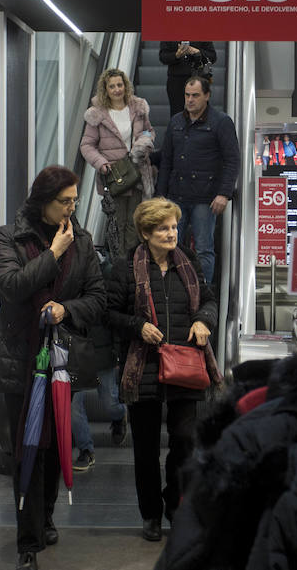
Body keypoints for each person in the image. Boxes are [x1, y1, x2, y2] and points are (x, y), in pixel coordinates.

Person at [0, 165, 106, 570]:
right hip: (18, 358)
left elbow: (97, 298)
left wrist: (65, 308)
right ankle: (28, 543)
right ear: (42, 201)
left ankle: (47, 515)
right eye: (64, 201)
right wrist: (53, 253)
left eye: (74, 200)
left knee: (54, 446)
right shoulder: (8, 237)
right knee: (26, 449)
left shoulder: (82, 241)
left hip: (62, 359)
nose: (72, 208)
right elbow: (12, 287)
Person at [107, 197, 220, 542]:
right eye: (164, 228)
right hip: (144, 366)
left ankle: (175, 505)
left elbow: (210, 300)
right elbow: (109, 314)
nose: (172, 233)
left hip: (185, 364)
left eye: (174, 226)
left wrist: (203, 321)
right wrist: (137, 326)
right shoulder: (125, 269)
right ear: (146, 232)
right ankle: (151, 515)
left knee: (185, 440)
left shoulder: (190, 264)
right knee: (145, 448)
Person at [156, 75, 240, 284]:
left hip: (206, 198)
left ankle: (203, 294)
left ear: (207, 96)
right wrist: (160, 196)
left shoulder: (221, 122)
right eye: (187, 95)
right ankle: (173, 290)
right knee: (169, 246)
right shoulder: (176, 121)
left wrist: (224, 193)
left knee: (203, 249)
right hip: (176, 195)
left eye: (195, 95)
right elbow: (166, 160)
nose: (190, 100)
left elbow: (232, 160)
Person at [81, 68, 156, 257]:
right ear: (105, 89)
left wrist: (143, 144)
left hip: (137, 173)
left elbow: (149, 132)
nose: (117, 90)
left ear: (126, 85)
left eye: (120, 85)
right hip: (114, 177)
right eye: (112, 86)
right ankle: (118, 269)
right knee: (117, 225)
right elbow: (87, 145)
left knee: (135, 224)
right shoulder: (97, 114)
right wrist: (101, 163)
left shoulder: (138, 108)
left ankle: (133, 266)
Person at [71, 253, 128, 471]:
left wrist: (116, 351)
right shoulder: (63, 268)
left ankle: (120, 416)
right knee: (73, 406)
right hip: (74, 349)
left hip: (101, 350)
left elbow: (114, 315)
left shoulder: (107, 273)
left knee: (110, 402)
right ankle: (86, 449)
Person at [159, 41, 217, 117]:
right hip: (176, 79)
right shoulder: (169, 32)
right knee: (176, 113)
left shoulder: (202, 31)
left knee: (200, 111)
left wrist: (198, 52)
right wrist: (176, 55)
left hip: (199, 78)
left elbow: (212, 56)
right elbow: (163, 57)